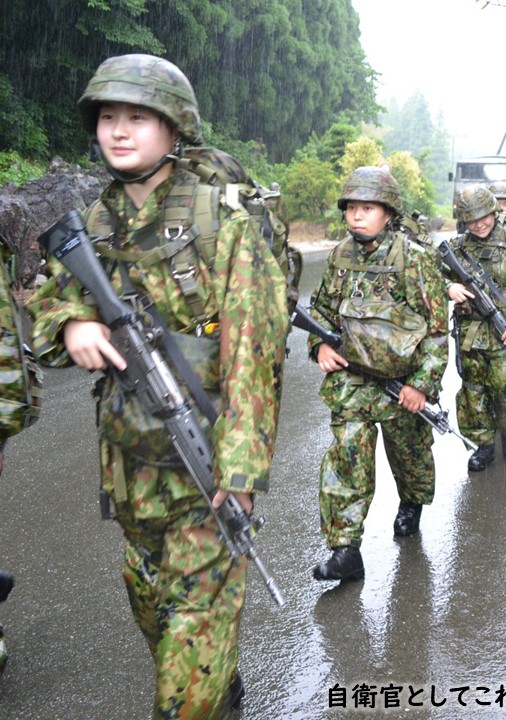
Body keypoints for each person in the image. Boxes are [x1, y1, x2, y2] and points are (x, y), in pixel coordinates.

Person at [27, 54, 288, 717]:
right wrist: (71, 324)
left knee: (186, 665)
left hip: (206, 461)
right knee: (152, 608)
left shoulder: (217, 219)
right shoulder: (94, 220)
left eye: (137, 118)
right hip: (131, 468)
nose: (119, 131)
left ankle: (202, 685)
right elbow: (43, 312)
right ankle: (213, 674)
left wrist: (241, 472)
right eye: (108, 117)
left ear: (175, 130)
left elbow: (255, 356)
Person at [308, 167, 449, 583]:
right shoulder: (339, 256)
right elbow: (321, 311)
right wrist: (321, 346)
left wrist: (421, 385)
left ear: (388, 212)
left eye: (366, 208)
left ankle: (412, 502)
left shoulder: (415, 258)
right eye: (351, 208)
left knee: (410, 458)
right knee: (346, 459)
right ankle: (345, 549)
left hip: (401, 383)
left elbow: (437, 329)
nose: (356, 216)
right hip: (352, 383)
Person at [444, 185, 506, 471]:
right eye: (472, 219)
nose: (479, 223)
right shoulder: (457, 246)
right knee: (474, 392)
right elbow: (427, 277)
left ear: (494, 211)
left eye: (484, 216)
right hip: (470, 335)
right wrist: (448, 286)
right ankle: (483, 446)